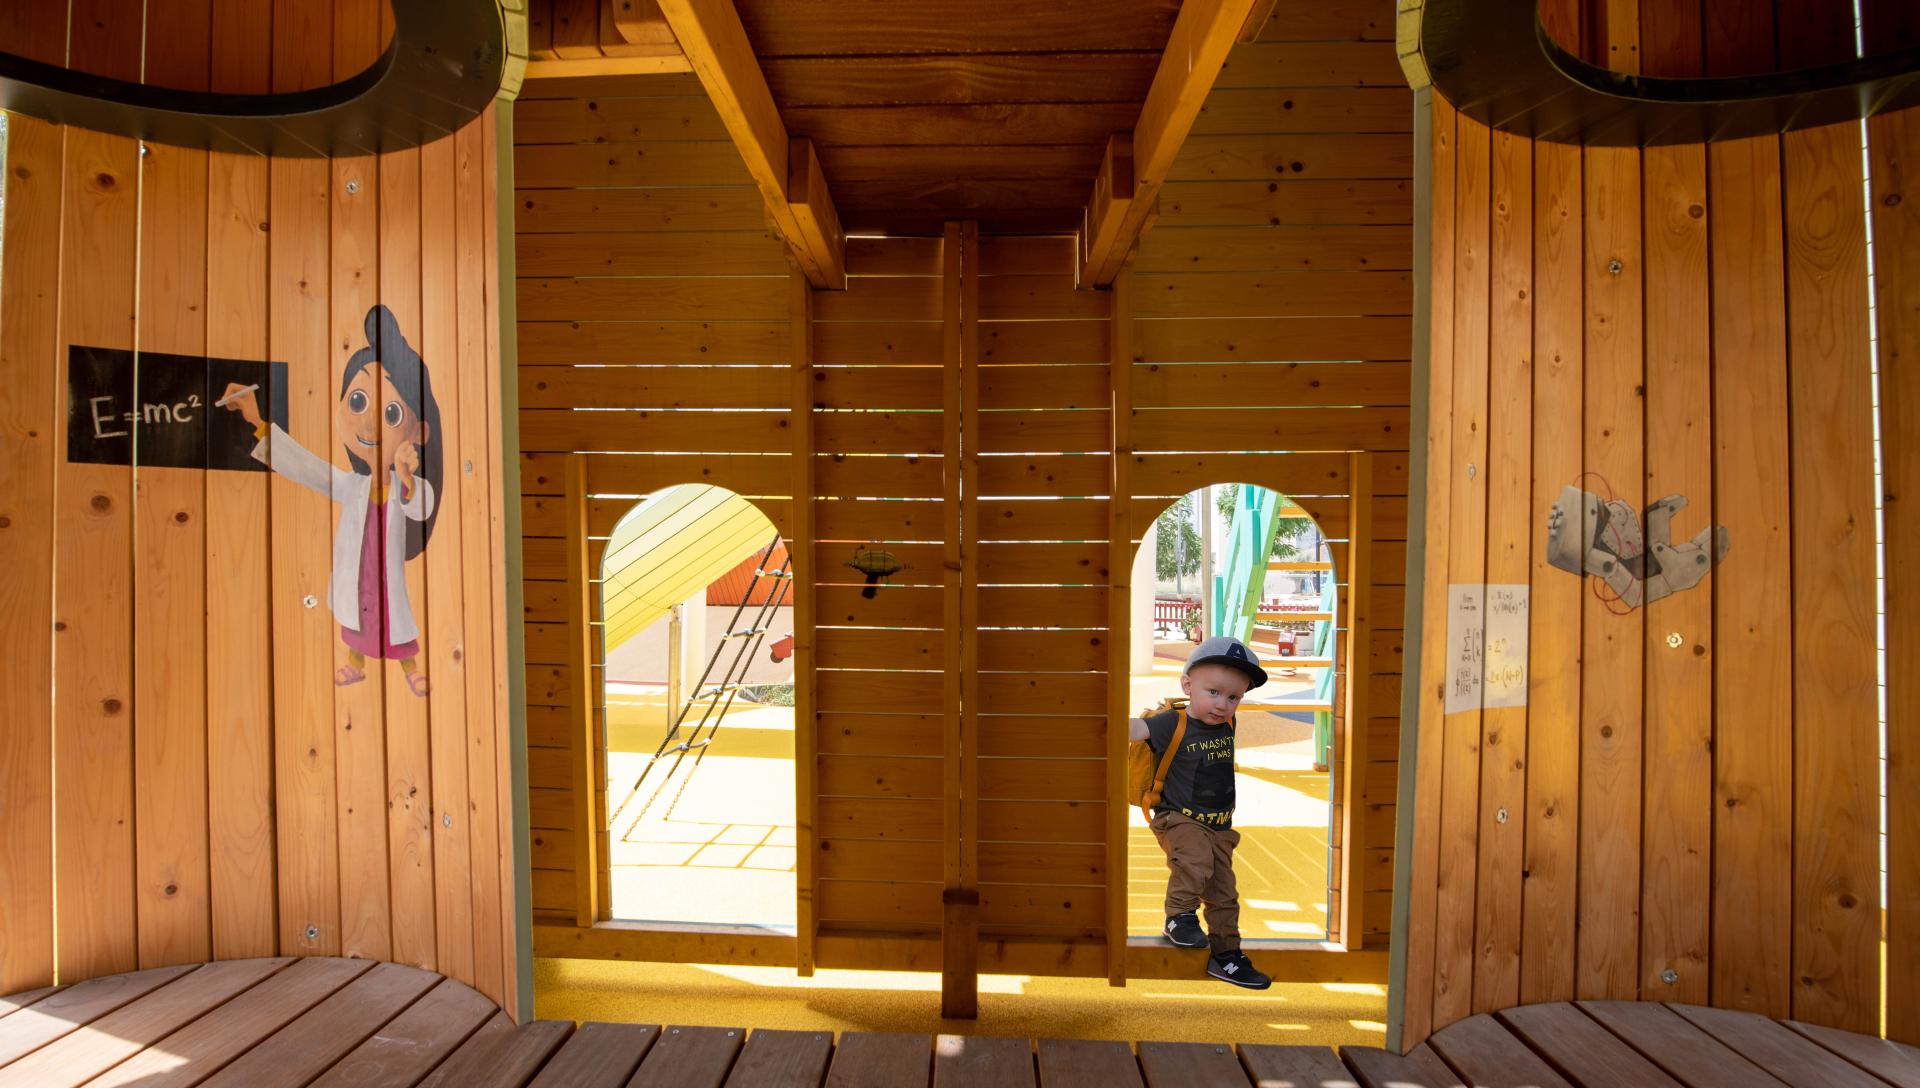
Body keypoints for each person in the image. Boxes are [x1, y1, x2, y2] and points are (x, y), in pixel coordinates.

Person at [220, 305, 442, 696]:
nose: (370, 423)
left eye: (391, 412)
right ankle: (355, 663)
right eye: (357, 402)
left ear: (419, 431)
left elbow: (420, 505)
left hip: (387, 574)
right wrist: (256, 422)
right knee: (358, 613)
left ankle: (410, 668)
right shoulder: (352, 487)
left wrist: (406, 478)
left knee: (395, 617)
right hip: (359, 575)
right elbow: (306, 468)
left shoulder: (408, 485)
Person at [1128, 636, 1272, 989]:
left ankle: (1226, 956)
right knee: (1194, 861)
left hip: (1220, 826)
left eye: (1233, 697)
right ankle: (1178, 916)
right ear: (1188, 685)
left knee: (1225, 895)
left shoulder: (1226, 724)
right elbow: (1132, 730)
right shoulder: (1170, 722)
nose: (1223, 704)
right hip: (1177, 816)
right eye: (1213, 692)